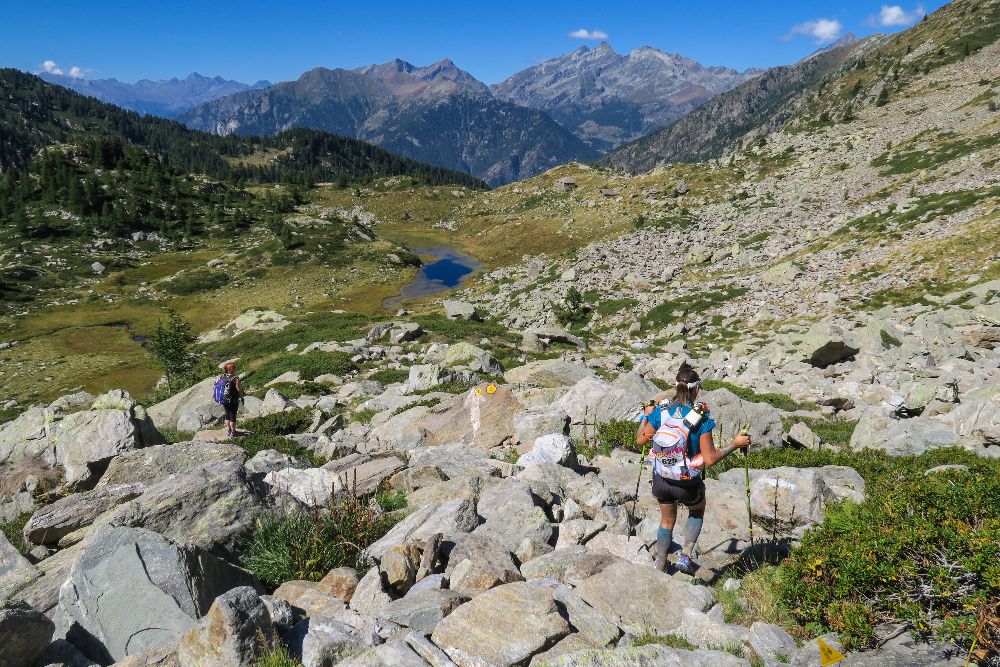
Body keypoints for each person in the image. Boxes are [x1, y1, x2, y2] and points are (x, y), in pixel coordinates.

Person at [635, 364, 751, 574]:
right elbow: (711, 459)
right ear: (697, 389)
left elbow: (640, 441)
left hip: (661, 479)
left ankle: (661, 563)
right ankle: (685, 556)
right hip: (687, 482)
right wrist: (735, 444)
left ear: (676, 387)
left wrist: (645, 416)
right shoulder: (701, 419)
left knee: (666, 520)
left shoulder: (661, 412)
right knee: (696, 510)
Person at [219, 361, 244, 437]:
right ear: (232, 369)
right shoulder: (235, 378)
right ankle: (233, 432)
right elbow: (238, 390)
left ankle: (229, 430)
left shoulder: (222, 377)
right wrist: (241, 397)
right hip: (233, 399)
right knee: (233, 415)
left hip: (224, 399)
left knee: (227, 415)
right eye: (234, 367)